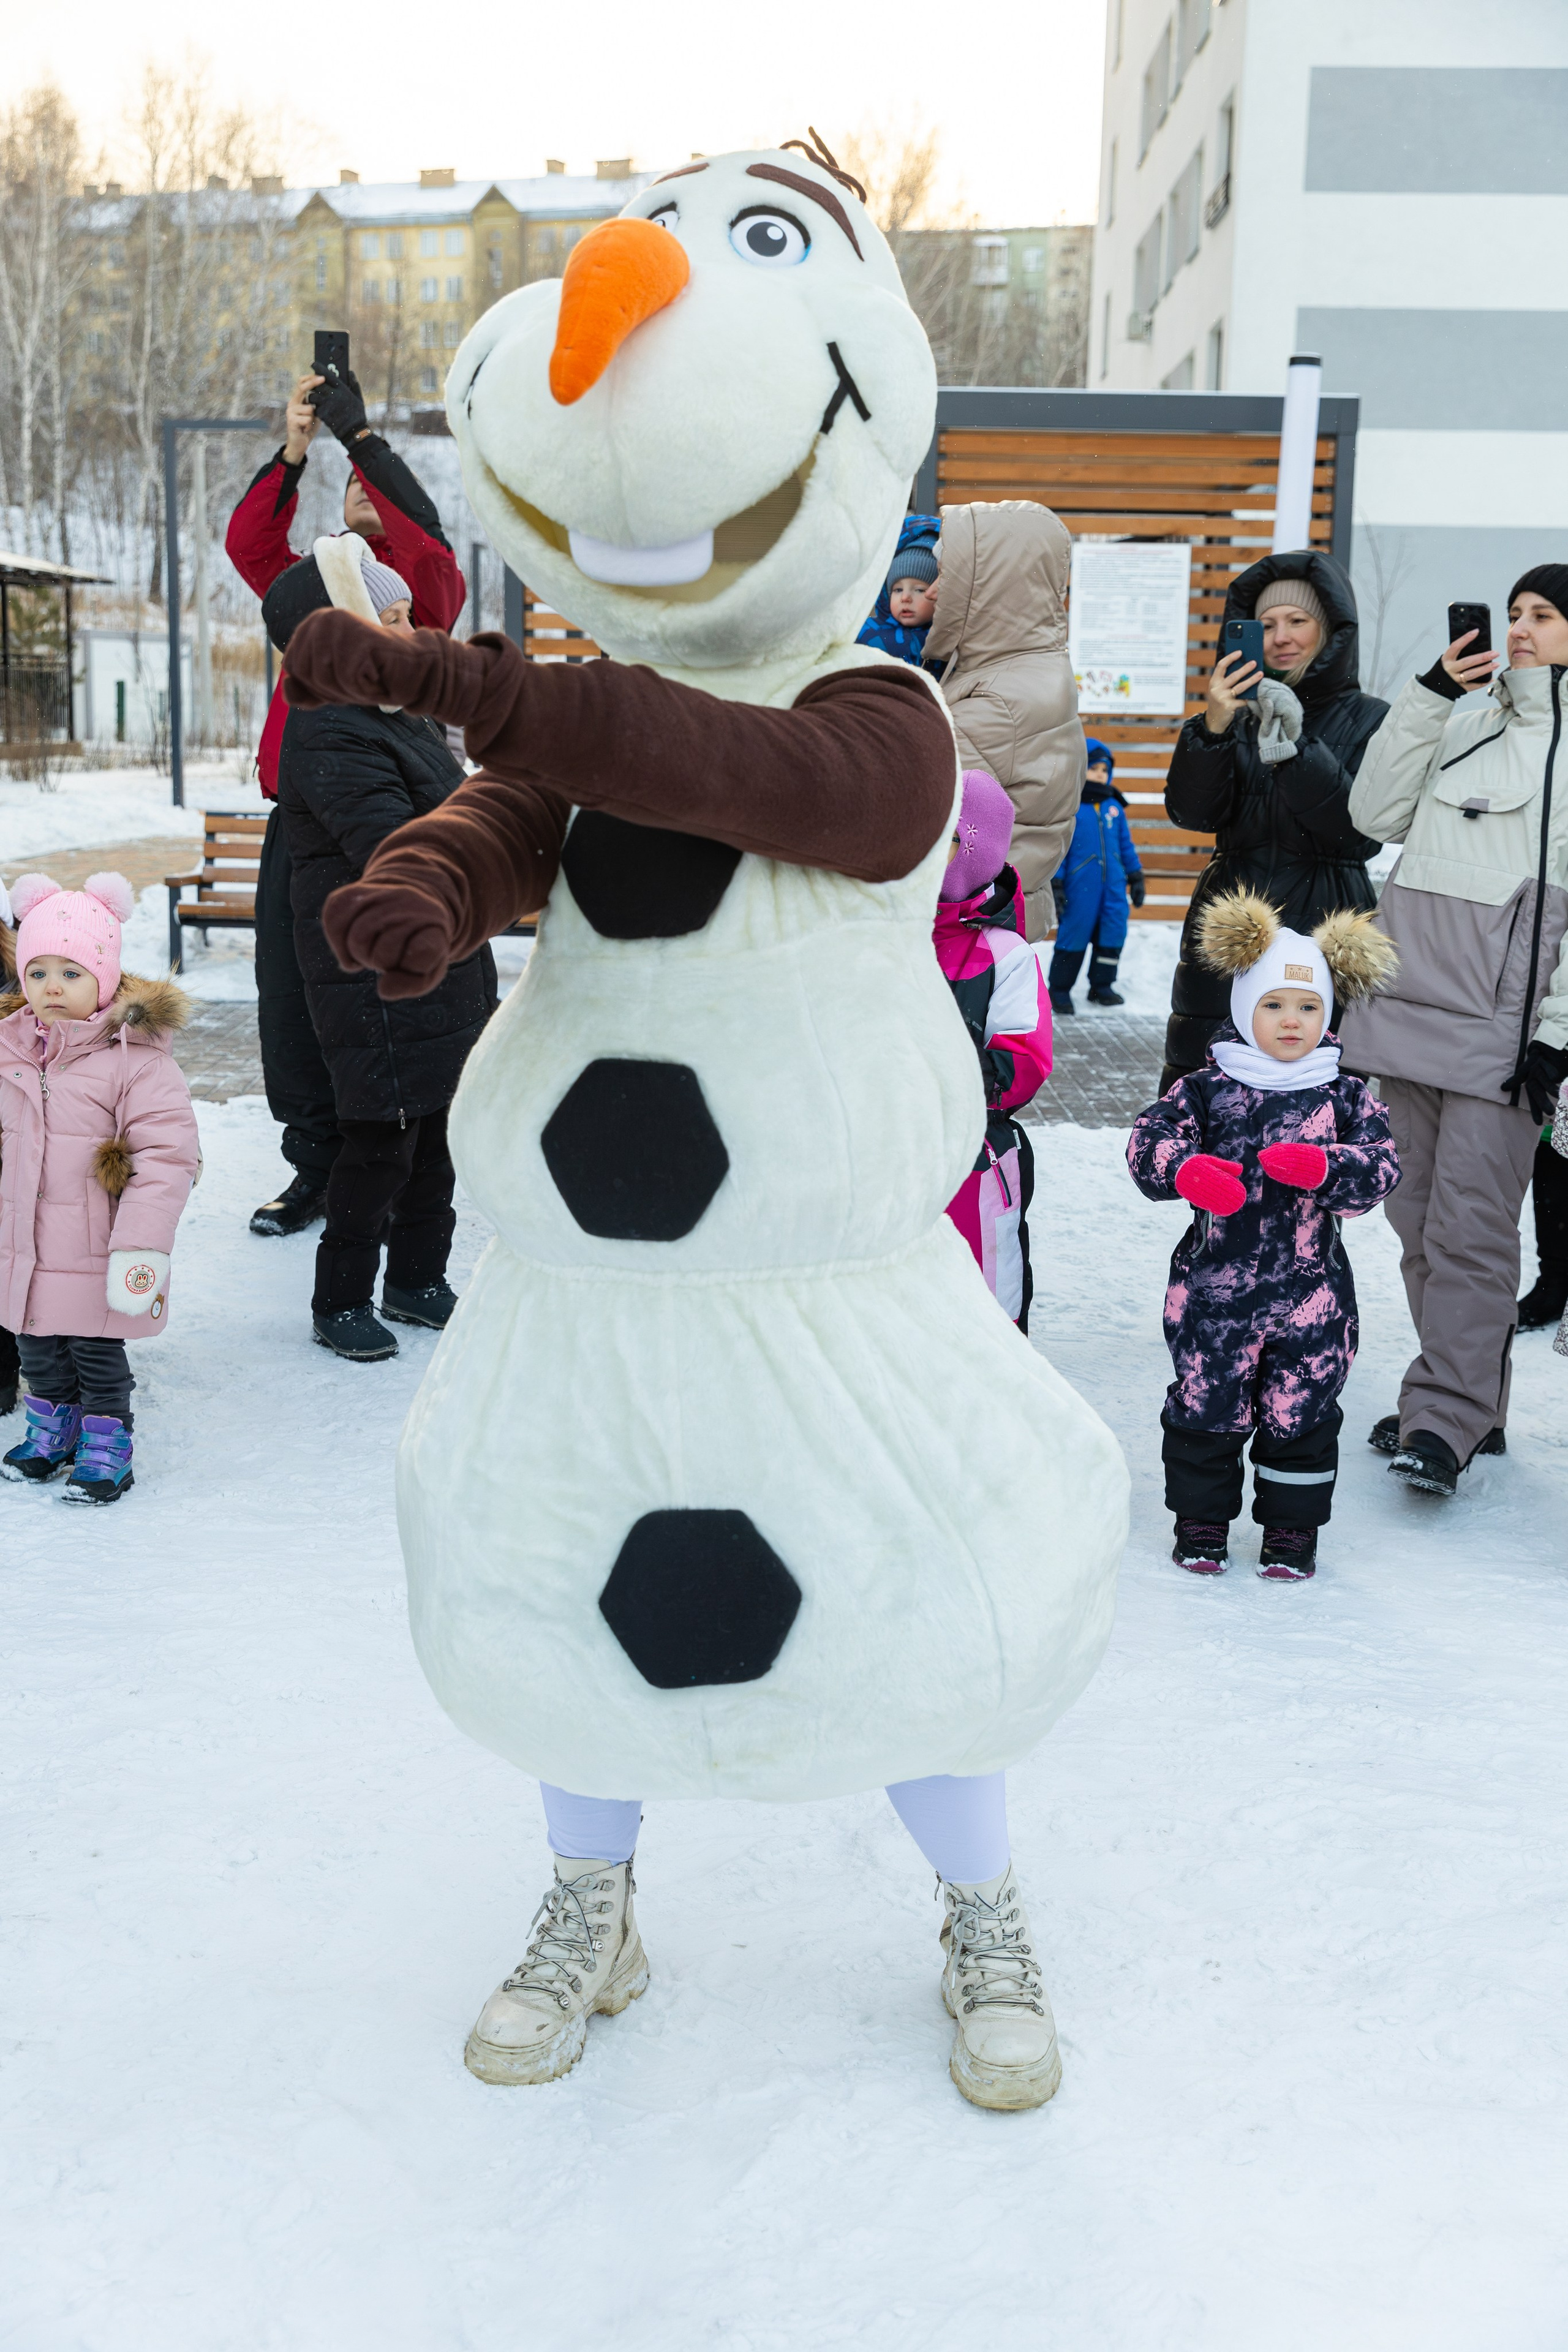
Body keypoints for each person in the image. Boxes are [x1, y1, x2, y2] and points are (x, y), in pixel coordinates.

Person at [1338, 569, 1568, 1496]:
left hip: (1504, 1032)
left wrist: (1556, 1035)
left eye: (1543, 617)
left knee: (1472, 1232)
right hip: (1410, 1004)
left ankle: (1443, 1416)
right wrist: (1432, 696)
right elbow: (1371, 816)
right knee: (1417, 1222)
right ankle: (1469, 1400)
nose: (1519, 629)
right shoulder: (1464, 719)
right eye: (1514, 613)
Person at [225, 367, 467, 1243]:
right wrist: (294, 450)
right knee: (293, 1000)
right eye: (354, 489)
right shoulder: (316, 593)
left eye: (377, 492)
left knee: (383, 1003)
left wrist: (362, 441)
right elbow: (250, 548)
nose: (364, 496)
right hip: (301, 821)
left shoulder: (418, 597)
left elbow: (430, 544)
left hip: (385, 820)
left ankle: (393, 1169)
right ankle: (316, 1167)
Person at [264, 535, 497, 1364]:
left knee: (437, 1134)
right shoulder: (331, 729)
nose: (411, 632)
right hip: (371, 977)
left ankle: (417, 1279)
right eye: (391, 617)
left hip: (436, 963)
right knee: (380, 1141)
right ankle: (341, 1298)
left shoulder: (401, 716)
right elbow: (395, 847)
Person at [1128, 890, 1400, 1578]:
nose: (1290, 1021)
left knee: (1301, 1414)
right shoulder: (1207, 1088)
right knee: (1204, 1408)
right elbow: (1147, 1143)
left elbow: (1381, 1166)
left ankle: (1289, 1532)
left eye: (1308, 1008)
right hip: (1212, 1294)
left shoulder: (1343, 1094)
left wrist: (1327, 1166)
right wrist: (1185, 1171)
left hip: (1312, 1300)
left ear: (1328, 1015)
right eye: (1274, 1005)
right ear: (1246, 1008)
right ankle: (1201, 1523)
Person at [0, 874, 200, 1504]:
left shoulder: (137, 1060)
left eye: (71, 972)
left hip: (97, 1244)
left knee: (94, 1348)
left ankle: (107, 1441)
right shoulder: (9, 1051)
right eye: (37, 973)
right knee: (35, 1342)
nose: (51, 988)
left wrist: (140, 1244)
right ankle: (52, 1428)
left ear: (106, 979)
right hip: (22, 1243)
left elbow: (167, 1157)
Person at [1161, 552, 1386, 1090]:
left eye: (1298, 621)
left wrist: (1293, 746)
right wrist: (1213, 727)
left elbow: (1356, 833)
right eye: (1266, 625)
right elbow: (1192, 813)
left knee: (1315, 1102)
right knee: (1208, 1091)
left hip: (1327, 921)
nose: (1281, 637)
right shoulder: (1234, 712)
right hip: (1231, 924)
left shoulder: (1371, 718)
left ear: (1330, 631)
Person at [922, 499, 1086, 943]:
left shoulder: (995, 699)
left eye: (947, 577)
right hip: (1000, 923)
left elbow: (927, 831)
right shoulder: (1028, 671)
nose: (931, 591)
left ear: (992, 589)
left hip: (962, 937)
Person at [935, 769, 1052, 1332]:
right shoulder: (883, 935)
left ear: (977, 851)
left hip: (972, 1151)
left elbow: (1022, 1061)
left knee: (982, 1303)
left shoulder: (1003, 952)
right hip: (885, 1147)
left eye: (948, 839)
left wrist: (928, 1075)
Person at [1047, 737, 1145, 1012]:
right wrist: (1057, 883)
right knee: (1074, 937)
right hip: (1081, 888)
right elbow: (1061, 849)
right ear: (1081, 769)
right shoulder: (1073, 806)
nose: (1100, 775)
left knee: (1112, 935)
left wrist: (1136, 875)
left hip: (1113, 888)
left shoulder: (1114, 806)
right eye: (1094, 768)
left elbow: (1125, 845)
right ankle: (1060, 990)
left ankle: (1101, 987)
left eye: (1104, 770)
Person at [856, 511, 940, 665]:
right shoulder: (865, 635)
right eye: (898, 590)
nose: (905, 598)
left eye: (920, 590)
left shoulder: (948, 641)